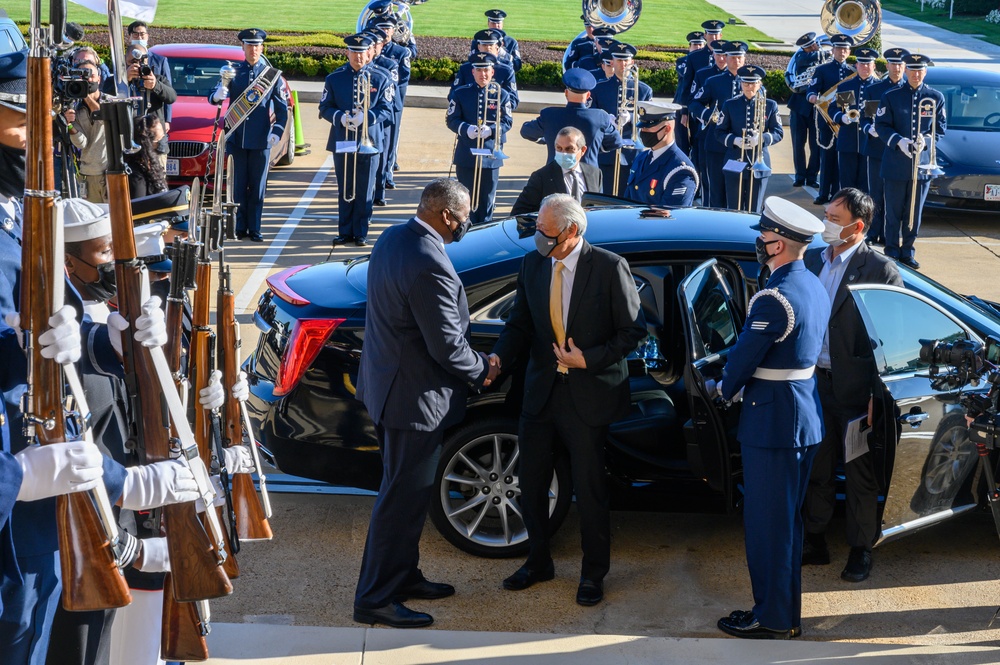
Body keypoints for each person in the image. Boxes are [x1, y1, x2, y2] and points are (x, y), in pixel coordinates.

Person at [353, 178, 497, 629]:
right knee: (401, 498)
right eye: (464, 215)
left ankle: (404, 575)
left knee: (407, 497)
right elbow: (448, 346)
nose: (466, 223)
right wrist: (484, 369)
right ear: (446, 216)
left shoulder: (394, 237)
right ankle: (375, 598)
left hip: (390, 390)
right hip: (413, 401)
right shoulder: (428, 262)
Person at [490, 194, 646, 607]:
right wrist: (498, 359)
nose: (538, 237)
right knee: (532, 481)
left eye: (545, 230)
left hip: (588, 395)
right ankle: (538, 561)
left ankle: (593, 574)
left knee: (591, 489)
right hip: (541, 393)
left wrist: (586, 360)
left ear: (571, 231)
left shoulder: (610, 268)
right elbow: (519, 324)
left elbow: (633, 332)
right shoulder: (534, 264)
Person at [715, 197, 829, 640]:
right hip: (801, 414)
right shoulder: (812, 283)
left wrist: (722, 388)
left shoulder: (773, 297)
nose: (760, 243)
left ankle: (774, 619)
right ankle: (785, 613)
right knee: (787, 524)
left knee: (768, 527)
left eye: (764, 237)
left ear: (778, 244)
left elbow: (742, 361)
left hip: (773, 423)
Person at [801, 187, 903, 584]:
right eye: (826, 214)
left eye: (834, 219)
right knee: (818, 465)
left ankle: (861, 549)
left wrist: (879, 397)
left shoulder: (879, 270)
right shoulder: (812, 261)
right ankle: (815, 539)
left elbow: (890, 342)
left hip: (857, 393)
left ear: (857, 227)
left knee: (859, 472)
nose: (826, 224)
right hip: (814, 384)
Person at [208, 27, 288, 242]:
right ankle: (239, 227)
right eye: (249, 45)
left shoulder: (271, 76)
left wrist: (277, 133)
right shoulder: (233, 71)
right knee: (238, 187)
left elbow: (281, 109)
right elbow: (213, 97)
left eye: (257, 45)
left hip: (261, 140)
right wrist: (217, 95)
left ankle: (255, 228)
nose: (253, 49)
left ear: (262, 48)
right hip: (237, 138)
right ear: (242, 47)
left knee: (257, 187)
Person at [319, 33, 393, 247]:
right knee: (345, 187)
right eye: (354, 52)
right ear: (347, 53)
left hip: (369, 140)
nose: (358, 57)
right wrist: (340, 117)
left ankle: (361, 231)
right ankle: (345, 231)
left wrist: (366, 117)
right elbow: (324, 107)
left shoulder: (381, 77)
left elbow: (387, 109)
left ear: (370, 52)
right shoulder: (335, 78)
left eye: (362, 52)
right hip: (343, 139)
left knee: (365, 187)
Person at [874, 53, 945, 270]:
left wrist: (927, 139)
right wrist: (899, 141)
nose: (915, 74)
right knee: (893, 212)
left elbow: (941, 128)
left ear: (925, 72)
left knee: (914, 212)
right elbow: (881, 125)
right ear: (905, 71)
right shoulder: (891, 95)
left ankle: (908, 252)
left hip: (922, 166)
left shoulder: (935, 96)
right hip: (896, 163)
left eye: (919, 70)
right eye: (911, 70)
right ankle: (892, 251)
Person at [446, 52, 513, 226]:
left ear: (492, 72)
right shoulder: (461, 93)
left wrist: (491, 130)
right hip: (467, 153)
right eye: (479, 70)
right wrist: (466, 129)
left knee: (487, 200)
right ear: (473, 72)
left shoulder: (502, 94)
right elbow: (451, 119)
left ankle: (485, 230)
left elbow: (507, 121)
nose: (483, 74)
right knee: (464, 198)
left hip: (490, 155)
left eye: (487, 70)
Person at [520, 69, 621, 170]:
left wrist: (547, 139)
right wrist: (593, 148)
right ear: (588, 95)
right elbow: (616, 141)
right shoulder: (600, 117)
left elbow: (526, 131)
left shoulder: (549, 115)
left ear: (566, 93)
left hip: (554, 176)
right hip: (588, 177)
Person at [716, 65, 783, 213]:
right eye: (746, 83)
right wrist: (735, 140)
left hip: (760, 162)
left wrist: (761, 139)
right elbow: (719, 132)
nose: (749, 87)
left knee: (755, 208)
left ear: (759, 84)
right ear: (740, 84)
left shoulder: (770, 105)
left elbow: (778, 132)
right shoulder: (730, 104)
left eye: (753, 83)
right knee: (734, 208)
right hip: (735, 159)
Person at [689, 40, 747, 208]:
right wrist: (709, 115)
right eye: (732, 57)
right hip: (717, 144)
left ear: (744, 59)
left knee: (740, 193)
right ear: (725, 58)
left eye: (739, 57)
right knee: (716, 191)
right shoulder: (714, 81)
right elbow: (694, 103)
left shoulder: (753, 83)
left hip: (742, 147)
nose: (736, 61)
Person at [590, 42, 653, 196]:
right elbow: (591, 115)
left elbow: (650, 118)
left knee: (630, 196)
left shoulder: (644, 90)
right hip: (607, 150)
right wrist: (605, 119)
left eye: (626, 60)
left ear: (632, 62)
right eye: (619, 60)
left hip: (633, 151)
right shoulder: (599, 88)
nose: (623, 64)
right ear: (611, 62)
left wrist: (632, 117)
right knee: (606, 195)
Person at [861, 48, 908, 246]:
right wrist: (868, 129)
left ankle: (891, 237)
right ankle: (873, 233)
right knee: (876, 194)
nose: (896, 68)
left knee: (896, 199)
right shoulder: (874, 89)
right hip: (877, 149)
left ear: (904, 67)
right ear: (886, 65)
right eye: (893, 64)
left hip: (899, 153)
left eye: (900, 65)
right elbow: (864, 118)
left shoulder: (909, 90)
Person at [510, 126, 602, 216]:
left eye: (569, 149)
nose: (563, 153)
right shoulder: (541, 177)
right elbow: (518, 214)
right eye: (559, 148)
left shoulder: (595, 174)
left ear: (582, 150)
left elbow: (600, 208)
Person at [807, 34, 854, 205]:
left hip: (845, 122)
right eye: (839, 48)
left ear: (849, 52)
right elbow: (812, 89)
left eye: (845, 49)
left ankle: (837, 193)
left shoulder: (852, 72)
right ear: (833, 50)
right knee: (827, 157)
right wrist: (812, 96)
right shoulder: (822, 70)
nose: (842, 52)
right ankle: (823, 193)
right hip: (827, 120)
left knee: (843, 160)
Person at [624, 101, 698, 207]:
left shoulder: (680, 170)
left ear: (667, 129)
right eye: (642, 126)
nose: (643, 131)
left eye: (648, 127)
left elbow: (672, 216)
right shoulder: (641, 158)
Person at [366, 14, 411, 182]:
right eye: (381, 28)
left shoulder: (400, 52)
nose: (385, 31)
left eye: (388, 28)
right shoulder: (369, 50)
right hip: (373, 103)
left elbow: (404, 77)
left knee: (390, 141)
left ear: (393, 30)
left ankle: (387, 174)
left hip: (393, 103)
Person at [831, 47, 879, 192]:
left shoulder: (878, 87)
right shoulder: (847, 86)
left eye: (868, 64)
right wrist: (842, 117)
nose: (865, 67)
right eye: (862, 64)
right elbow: (834, 109)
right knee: (847, 184)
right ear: (856, 65)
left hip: (869, 142)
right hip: (848, 141)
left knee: (866, 185)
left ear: (874, 66)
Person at [784, 32, 827, 188]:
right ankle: (799, 175)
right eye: (809, 47)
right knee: (798, 143)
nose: (813, 48)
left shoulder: (821, 58)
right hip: (799, 107)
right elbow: (804, 61)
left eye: (813, 45)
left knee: (816, 145)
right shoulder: (802, 57)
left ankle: (812, 176)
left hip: (817, 108)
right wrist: (824, 52)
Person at [364, 27, 399, 207]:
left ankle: (379, 192)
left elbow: (390, 95)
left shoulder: (388, 65)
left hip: (384, 116)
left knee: (382, 154)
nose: (374, 48)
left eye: (377, 44)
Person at [65, 62, 108, 204]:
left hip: (110, 173)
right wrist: (70, 125)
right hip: (87, 175)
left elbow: (104, 119)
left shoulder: (111, 101)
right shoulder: (77, 108)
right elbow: (81, 143)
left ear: (99, 79)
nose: (87, 80)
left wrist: (86, 96)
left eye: (91, 75)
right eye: (83, 77)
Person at [450, 30, 519, 110]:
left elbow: (513, 100)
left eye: (491, 44)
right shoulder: (466, 68)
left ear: (497, 47)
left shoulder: (506, 70)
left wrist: (492, 109)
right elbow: (453, 95)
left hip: (495, 118)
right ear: (479, 47)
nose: (488, 47)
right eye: (484, 44)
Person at [676, 19, 725, 119]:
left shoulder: (728, 56)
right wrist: (685, 111)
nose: (714, 38)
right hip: (698, 109)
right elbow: (687, 84)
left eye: (716, 34)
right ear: (705, 35)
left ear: (721, 36)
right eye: (710, 34)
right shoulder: (694, 57)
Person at [672, 31, 708, 157]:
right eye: (694, 45)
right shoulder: (683, 61)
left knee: (697, 139)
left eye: (700, 45)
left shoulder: (707, 61)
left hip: (697, 104)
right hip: (681, 104)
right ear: (689, 47)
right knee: (682, 139)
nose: (697, 47)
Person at [124, 114, 168, 198]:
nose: (161, 144)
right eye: (158, 141)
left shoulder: (151, 162)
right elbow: (139, 204)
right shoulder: (135, 173)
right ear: (147, 143)